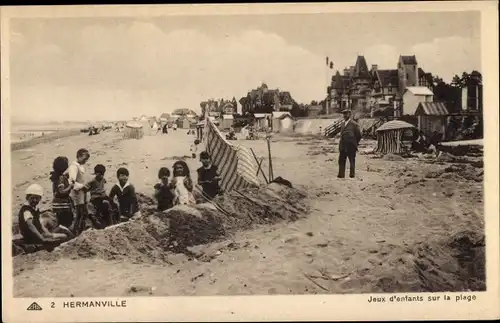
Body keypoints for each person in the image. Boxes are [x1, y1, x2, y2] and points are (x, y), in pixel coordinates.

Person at [68, 148, 90, 235]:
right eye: (84, 159)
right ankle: (76, 231)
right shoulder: (74, 167)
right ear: (78, 156)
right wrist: (82, 186)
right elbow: (71, 182)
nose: (85, 161)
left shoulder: (80, 166)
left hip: (81, 192)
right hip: (77, 193)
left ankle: (80, 230)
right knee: (79, 213)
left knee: (83, 212)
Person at [49, 156, 75, 229]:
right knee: (66, 221)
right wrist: (70, 186)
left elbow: (56, 191)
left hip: (57, 202)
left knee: (60, 220)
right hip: (62, 204)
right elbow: (62, 191)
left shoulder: (55, 176)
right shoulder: (61, 178)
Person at [337, 109, 361, 179]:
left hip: (351, 146)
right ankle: (341, 175)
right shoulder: (342, 124)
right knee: (341, 160)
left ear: (349, 114)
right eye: (343, 114)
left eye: (346, 114)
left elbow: (359, 135)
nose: (344, 115)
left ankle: (352, 175)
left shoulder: (354, 124)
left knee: (352, 160)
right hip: (342, 146)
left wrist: (354, 143)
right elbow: (341, 135)